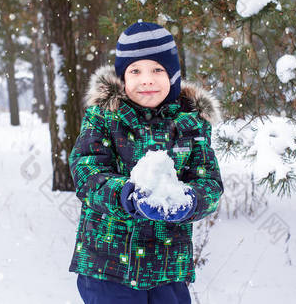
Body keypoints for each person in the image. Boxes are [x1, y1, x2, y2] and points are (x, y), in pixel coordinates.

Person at [68, 21, 223, 304]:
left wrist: (190, 201)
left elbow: (209, 182)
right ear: (122, 77)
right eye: (135, 71)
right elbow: (87, 173)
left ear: (173, 76)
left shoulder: (192, 124)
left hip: (168, 266)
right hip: (109, 266)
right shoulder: (104, 117)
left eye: (157, 70)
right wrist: (125, 195)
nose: (147, 79)